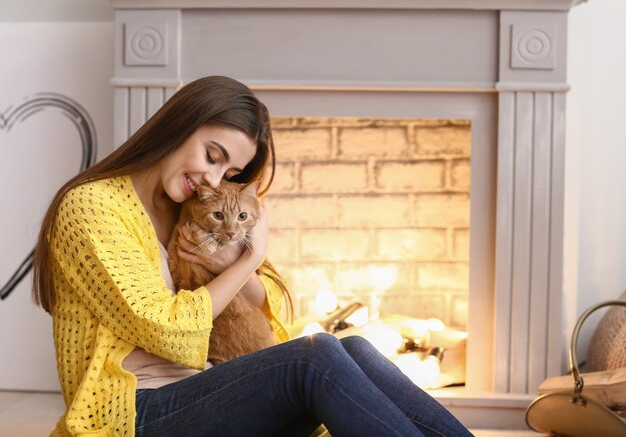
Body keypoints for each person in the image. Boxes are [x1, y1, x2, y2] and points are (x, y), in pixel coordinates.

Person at [33, 76, 474, 437]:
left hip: (206, 388)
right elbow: (165, 330)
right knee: (313, 356)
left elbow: (274, 311)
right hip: (134, 415)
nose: (212, 177)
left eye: (228, 173)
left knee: (353, 347)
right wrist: (248, 258)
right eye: (211, 155)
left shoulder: (195, 205)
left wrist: (233, 269)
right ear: (178, 124)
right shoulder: (92, 206)